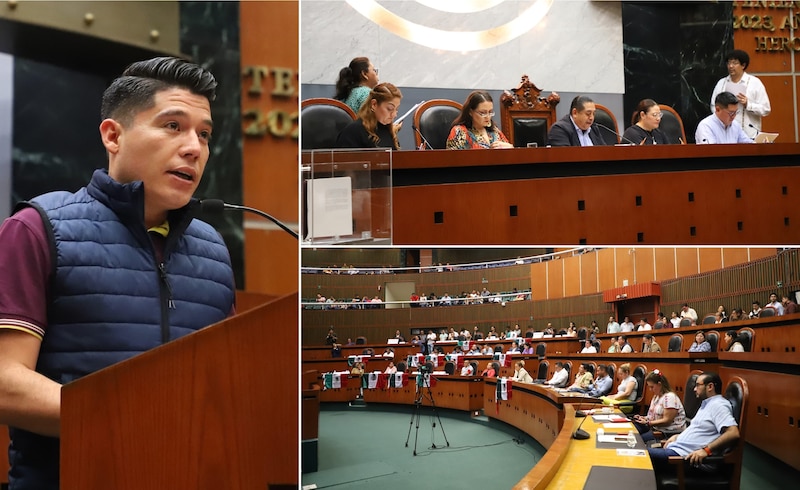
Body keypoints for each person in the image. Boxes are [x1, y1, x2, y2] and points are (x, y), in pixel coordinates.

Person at [0, 57, 237, 489]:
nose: (194, 147)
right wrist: (133, 420)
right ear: (113, 135)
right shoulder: (37, 228)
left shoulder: (215, 252)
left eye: (204, 134)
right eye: (172, 126)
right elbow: (5, 381)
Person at [648, 372, 739, 476]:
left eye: (697, 385)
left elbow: (733, 432)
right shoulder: (706, 404)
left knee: (637, 454)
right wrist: (678, 436)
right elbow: (699, 430)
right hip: (676, 450)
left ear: (710, 386)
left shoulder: (719, 405)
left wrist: (707, 450)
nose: (694, 389)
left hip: (684, 460)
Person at [710, 49, 770, 139]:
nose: (730, 66)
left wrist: (748, 104)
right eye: (728, 63)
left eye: (734, 63)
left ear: (743, 65)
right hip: (726, 135)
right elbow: (713, 106)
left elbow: (766, 109)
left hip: (749, 134)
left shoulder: (755, 83)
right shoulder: (722, 83)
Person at [336, 82, 402, 150]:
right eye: (390, 109)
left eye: (396, 109)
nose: (394, 114)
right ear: (374, 104)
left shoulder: (388, 131)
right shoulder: (353, 132)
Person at [445, 90, 513, 150]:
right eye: (483, 113)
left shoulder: (495, 131)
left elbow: (511, 155)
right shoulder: (459, 132)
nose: (488, 117)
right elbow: (453, 160)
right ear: (470, 112)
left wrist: (510, 148)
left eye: (490, 112)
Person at [632, 370, 687, 441]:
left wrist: (648, 422)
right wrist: (644, 418)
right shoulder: (656, 397)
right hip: (655, 427)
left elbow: (667, 421)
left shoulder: (670, 397)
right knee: (632, 431)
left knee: (637, 440)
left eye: (652, 387)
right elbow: (653, 416)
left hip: (667, 432)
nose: (650, 389)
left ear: (659, 384)